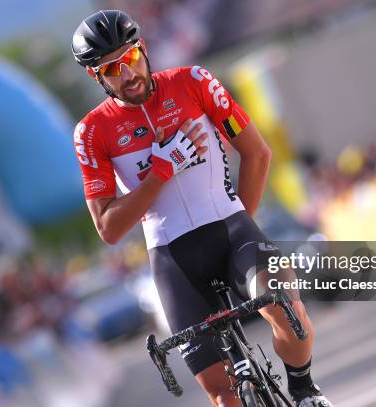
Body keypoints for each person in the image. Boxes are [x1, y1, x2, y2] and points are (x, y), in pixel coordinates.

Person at [71, 10, 333, 407]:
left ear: (143, 49)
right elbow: (108, 227)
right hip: (174, 259)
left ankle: (303, 390)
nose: (127, 74)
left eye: (130, 58)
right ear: (97, 77)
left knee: (288, 313)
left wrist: (241, 219)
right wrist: (161, 171)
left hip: (231, 230)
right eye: (112, 69)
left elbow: (257, 154)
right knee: (221, 392)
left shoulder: (193, 82)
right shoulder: (92, 132)